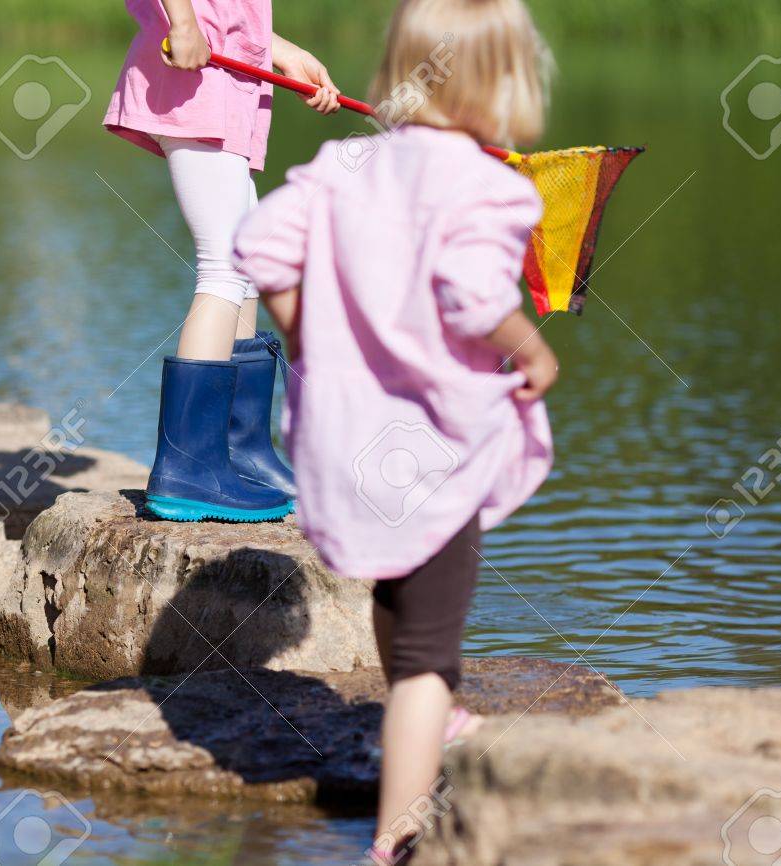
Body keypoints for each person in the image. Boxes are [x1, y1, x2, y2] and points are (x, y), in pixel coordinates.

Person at [232, 0, 557, 861]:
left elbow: (259, 244)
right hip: (433, 443)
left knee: (394, 582)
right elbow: (476, 298)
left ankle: (424, 718)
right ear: (508, 83)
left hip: (347, 439)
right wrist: (532, 348)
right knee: (429, 657)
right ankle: (398, 836)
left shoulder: (347, 163)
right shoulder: (488, 185)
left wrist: (307, 334)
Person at [104, 0, 341, 523]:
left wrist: (281, 52)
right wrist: (184, 23)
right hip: (196, 83)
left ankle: (239, 454)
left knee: (247, 263)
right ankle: (189, 468)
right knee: (225, 268)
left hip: (225, 81)